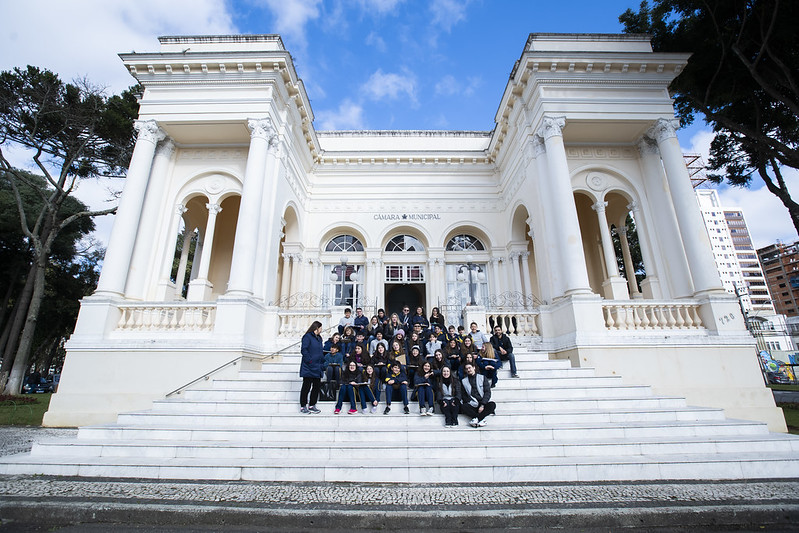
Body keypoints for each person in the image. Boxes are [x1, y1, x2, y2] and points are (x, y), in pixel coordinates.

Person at [461, 362, 496, 427]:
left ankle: (477, 419)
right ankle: (480, 419)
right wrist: (469, 401)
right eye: (466, 369)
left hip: (483, 402)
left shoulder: (482, 378)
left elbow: (487, 392)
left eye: (469, 368)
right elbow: (464, 395)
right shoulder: (464, 381)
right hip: (473, 403)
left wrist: (482, 405)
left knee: (492, 404)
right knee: (463, 406)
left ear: (474, 368)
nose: (468, 370)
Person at [299, 321, 324, 414]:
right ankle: (303, 405)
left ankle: (312, 404)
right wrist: (310, 361)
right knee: (306, 386)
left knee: (316, 387)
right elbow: (304, 350)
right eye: (320, 328)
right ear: (316, 328)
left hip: (317, 367)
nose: (321, 330)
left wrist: (322, 362)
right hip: (309, 366)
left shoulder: (319, 338)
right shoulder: (307, 337)